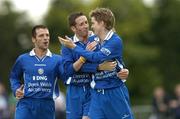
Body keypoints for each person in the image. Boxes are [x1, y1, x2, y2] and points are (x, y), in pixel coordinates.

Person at [59, 8, 133, 119]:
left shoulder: (99, 39)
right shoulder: (70, 45)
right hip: (85, 92)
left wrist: (124, 70)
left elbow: (108, 58)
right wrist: (97, 67)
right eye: (82, 24)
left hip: (108, 90)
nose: (88, 26)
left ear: (101, 23)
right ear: (74, 28)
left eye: (89, 23)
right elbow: (70, 70)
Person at [9, 25, 64, 119]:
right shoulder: (23, 59)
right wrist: (16, 89)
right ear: (34, 39)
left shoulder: (58, 60)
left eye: (47, 35)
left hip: (47, 105)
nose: (45, 38)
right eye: (41, 36)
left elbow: (67, 77)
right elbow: (14, 77)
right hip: (26, 104)